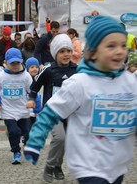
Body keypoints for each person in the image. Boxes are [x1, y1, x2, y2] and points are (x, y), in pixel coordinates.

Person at [24, 16, 137, 184]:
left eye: (122, 45)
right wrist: (35, 141)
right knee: (60, 138)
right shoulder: (81, 82)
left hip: (117, 164)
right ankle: (52, 165)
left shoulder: (129, 81)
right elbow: (50, 112)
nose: (119, 51)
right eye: (111, 46)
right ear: (93, 52)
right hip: (89, 163)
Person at [26, 34, 77, 183]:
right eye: (62, 51)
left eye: (68, 50)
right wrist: (31, 99)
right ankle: (49, 166)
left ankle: (57, 166)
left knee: (66, 141)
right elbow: (34, 87)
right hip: (52, 112)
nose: (66, 54)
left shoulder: (78, 70)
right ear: (55, 53)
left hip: (71, 112)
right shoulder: (48, 70)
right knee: (59, 137)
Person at [0, 48, 32, 164]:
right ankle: (16, 152)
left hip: (23, 110)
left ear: (21, 62)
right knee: (14, 132)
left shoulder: (26, 76)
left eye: (17, 63)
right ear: (5, 63)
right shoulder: (0, 76)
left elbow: (32, 92)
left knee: (27, 132)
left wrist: (36, 104)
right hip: (8, 110)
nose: (15, 66)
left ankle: (26, 142)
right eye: (12, 63)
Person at [25, 57, 42, 127]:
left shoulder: (40, 78)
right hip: (27, 110)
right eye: (32, 67)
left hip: (36, 110)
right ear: (27, 69)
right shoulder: (25, 79)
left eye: (36, 67)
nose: (35, 69)